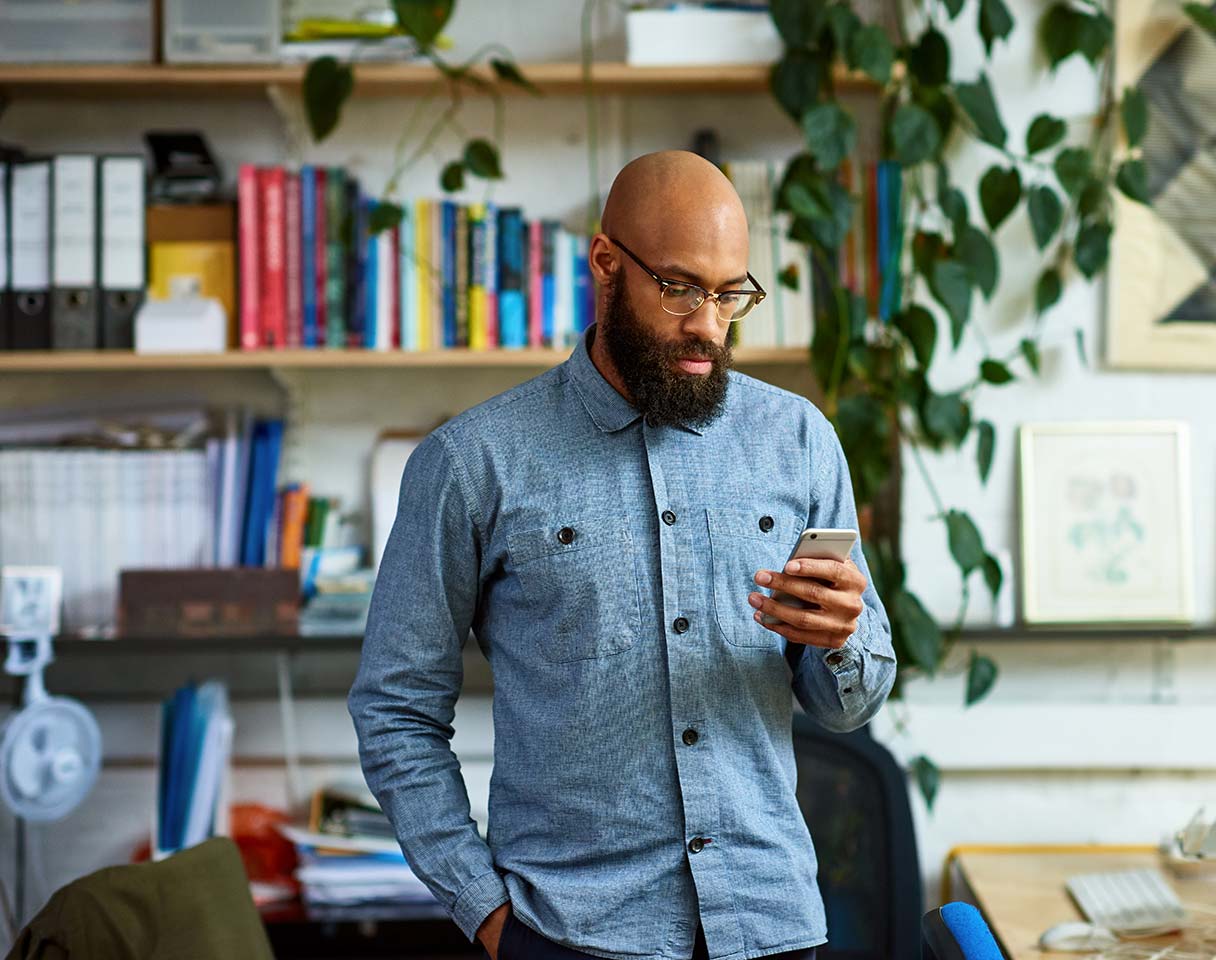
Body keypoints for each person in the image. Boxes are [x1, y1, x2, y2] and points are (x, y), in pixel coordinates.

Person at [349, 150, 897, 960]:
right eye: (679, 288)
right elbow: (395, 710)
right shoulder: (473, 463)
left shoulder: (800, 440)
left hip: (771, 927)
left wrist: (841, 639)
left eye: (730, 294)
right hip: (572, 934)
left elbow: (849, 705)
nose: (708, 325)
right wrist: (486, 913)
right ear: (607, 264)